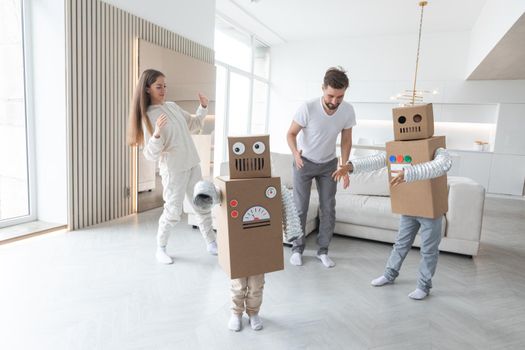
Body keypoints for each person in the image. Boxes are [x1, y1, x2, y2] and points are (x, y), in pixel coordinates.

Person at [332, 148, 452, 299]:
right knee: (401, 244)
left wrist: (408, 173)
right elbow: (377, 160)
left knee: (428, 250)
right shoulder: (399, 146)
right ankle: (389, 275)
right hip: (409, 206)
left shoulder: (436, 148)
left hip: (431, 210)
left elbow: (442, 165)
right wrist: (350, 166)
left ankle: (423, 286)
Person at [128, 69, 217, 264]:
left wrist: (203, 107)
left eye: (164, 86)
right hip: (174, 169)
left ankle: (211, 242)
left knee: (201, 204)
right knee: (173, 211)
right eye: (158, 86)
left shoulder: (173, 107)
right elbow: (150, 154)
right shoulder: (147, 117)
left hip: (192, 163)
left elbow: (194, 124)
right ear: (147, 89)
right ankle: (161, 248)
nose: (163, 90)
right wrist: (157, 133)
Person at [286, 66, 356, 268]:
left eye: (340, 97)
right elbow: (290, 134)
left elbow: (346, 140)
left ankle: (323, 251)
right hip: (304, 163)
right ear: (323, 88)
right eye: (330, 96)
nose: (335, 102)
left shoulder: (347, 110)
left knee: (328, 208)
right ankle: (297, 249)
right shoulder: (307, 108)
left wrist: (344, 166)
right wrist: (295, 153)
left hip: (329, 166)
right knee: (300, 208)